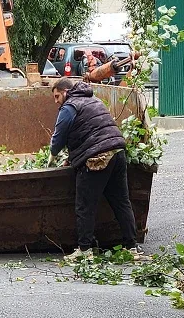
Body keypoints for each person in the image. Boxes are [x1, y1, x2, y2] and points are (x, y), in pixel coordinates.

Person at [49, 77, 144, 258]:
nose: (56, 101)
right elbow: (90, 131)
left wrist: (52, 155)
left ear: (66, 92)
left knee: (85, 205)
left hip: (97, 158)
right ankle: (131, 247)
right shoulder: (94, 100)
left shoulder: (69, 107)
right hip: (117, 152)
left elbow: (59, 137)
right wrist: (73, 157)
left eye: (57, 96)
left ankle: (85, 250)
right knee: (121, 201)